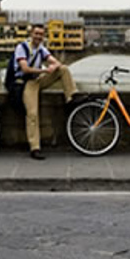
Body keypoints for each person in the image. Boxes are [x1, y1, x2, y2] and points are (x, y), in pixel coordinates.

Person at [14, 24, 84, 160]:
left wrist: (53, 66)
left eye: (41, 34)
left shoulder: (41, 49)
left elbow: (56, 62)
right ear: (31, 34)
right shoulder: (21, 48)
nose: (38, 36)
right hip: (27, 82)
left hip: (39, 79)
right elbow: (25, 69)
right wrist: (45, 70)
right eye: (36, 34)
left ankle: (71, 97)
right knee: (32, 114)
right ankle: (35, 148)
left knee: (63, 69)